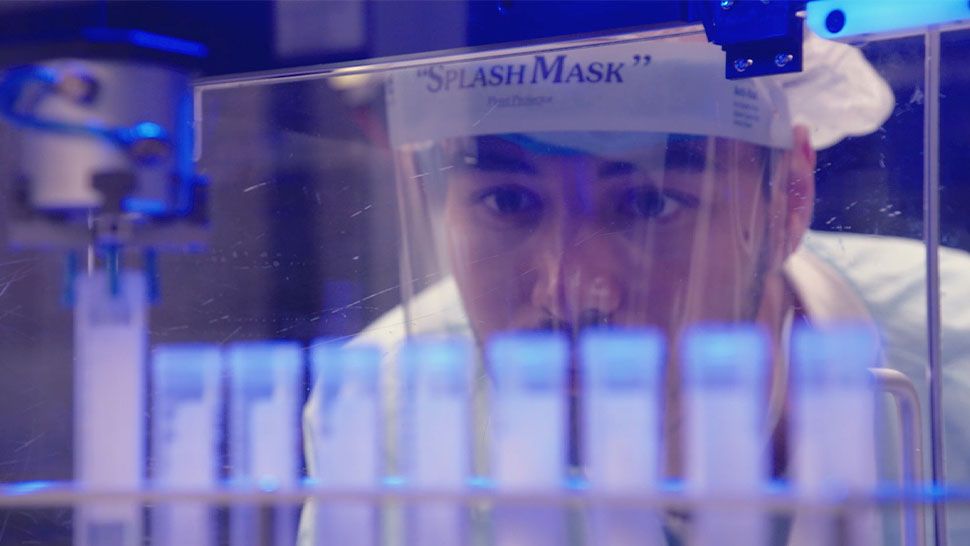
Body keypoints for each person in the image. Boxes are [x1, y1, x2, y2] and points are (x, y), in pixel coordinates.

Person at [301, 30, 970, 546]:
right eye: (507, 200)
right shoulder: (385, 407)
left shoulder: (959, 345)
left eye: (650, 205)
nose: (570, 291)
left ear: (788, 198)